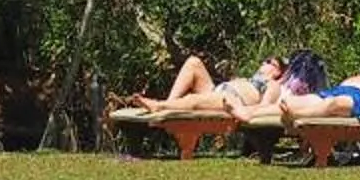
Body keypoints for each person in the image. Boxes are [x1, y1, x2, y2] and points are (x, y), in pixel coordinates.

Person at [126, 50, 324, 119]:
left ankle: (159, 106)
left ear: (278, 71)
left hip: (230, 100)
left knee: (194, 100)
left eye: (268, 62)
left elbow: (264, 108)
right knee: (193, 62)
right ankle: (168, 104)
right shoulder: (254, 79)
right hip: (218, 91)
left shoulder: (272, 85)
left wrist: (238, 109)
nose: (262, 63)